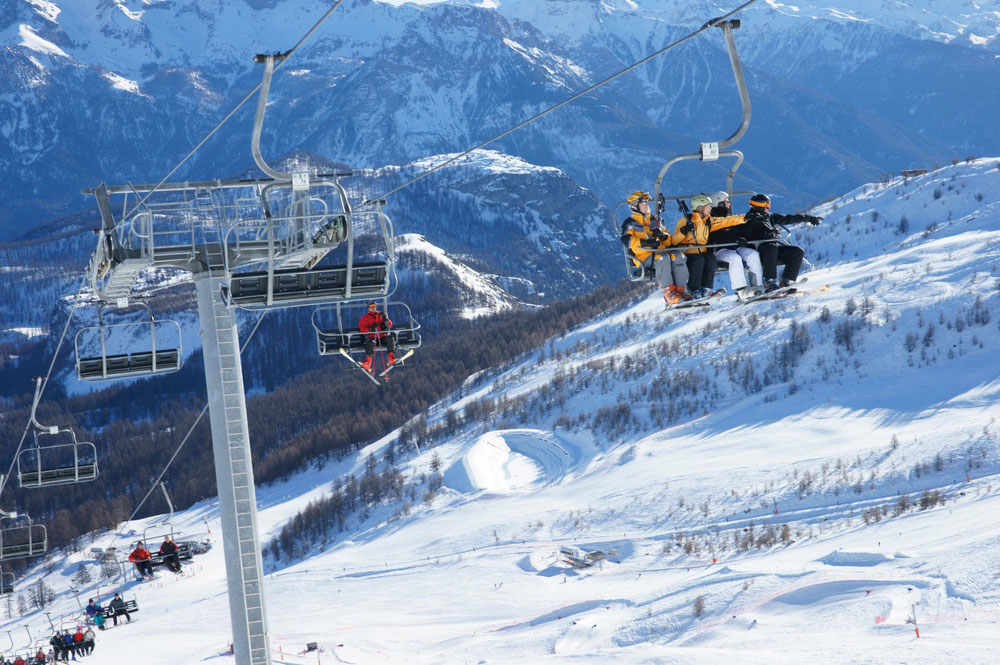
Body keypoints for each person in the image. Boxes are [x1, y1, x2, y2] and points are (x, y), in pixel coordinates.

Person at [620, 191, 690, 306]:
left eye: (647, 202)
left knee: (679, 256)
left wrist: (662, 235)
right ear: (635, 205)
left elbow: (669, 241)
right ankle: (669, 294)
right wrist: (645, 243)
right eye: (643, 203)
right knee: (663, 259)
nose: (647, 205)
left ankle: (681, 290)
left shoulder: (653, 220)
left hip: (660, 252)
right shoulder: (630, 223)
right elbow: (626, 240)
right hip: (644, 257)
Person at [741, 193, 822, 291]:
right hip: (758, 252)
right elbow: (745, 235)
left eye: (769, 205)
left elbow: (788, 218)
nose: (768, 208)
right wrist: (767, 233)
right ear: (760, 206)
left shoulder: (769, 217)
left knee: (797, 252)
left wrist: (808, 218)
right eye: (767, 205)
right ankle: (769, 281)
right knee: (771, 248)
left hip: (772, 251)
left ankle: (786, 280)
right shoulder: (747, 219)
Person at [707, 193, 765, 300]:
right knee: (735, 258)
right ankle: (741, 290)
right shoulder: (712, 220)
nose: (729, 203)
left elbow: (734, 231)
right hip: (720, 250)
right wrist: (734, 239)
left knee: (753, 254)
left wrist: (740, 239)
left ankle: (757, 286)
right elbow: (717, 236)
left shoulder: (729, 217)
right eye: (726, 201)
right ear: (719, 204)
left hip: (734, 247)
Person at [672, 193, 724, 298]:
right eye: (707, 206)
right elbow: (674, 241)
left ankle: (706, 287)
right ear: (700, 208)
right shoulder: (685, 220)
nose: (710, 208)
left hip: (701, 252)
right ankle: (693, 289)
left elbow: (727, 221)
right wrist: (683, 231)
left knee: (711, 258)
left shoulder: (707, 221)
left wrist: (744, 218)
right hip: (688, 252)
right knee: (698, 260)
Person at [358, 301, 396, 373]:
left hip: (381, 336)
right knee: (371, 343)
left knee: (390, 339)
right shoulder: (365, 318)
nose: (373, 308)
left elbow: (389, 326)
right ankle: (368, 362)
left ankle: (391, 358)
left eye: (374, 306)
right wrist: (370, 329)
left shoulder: (380, 315)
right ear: (369, 308)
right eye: (371, 306)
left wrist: (385, 319)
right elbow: (362, 329)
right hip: (372, 337)